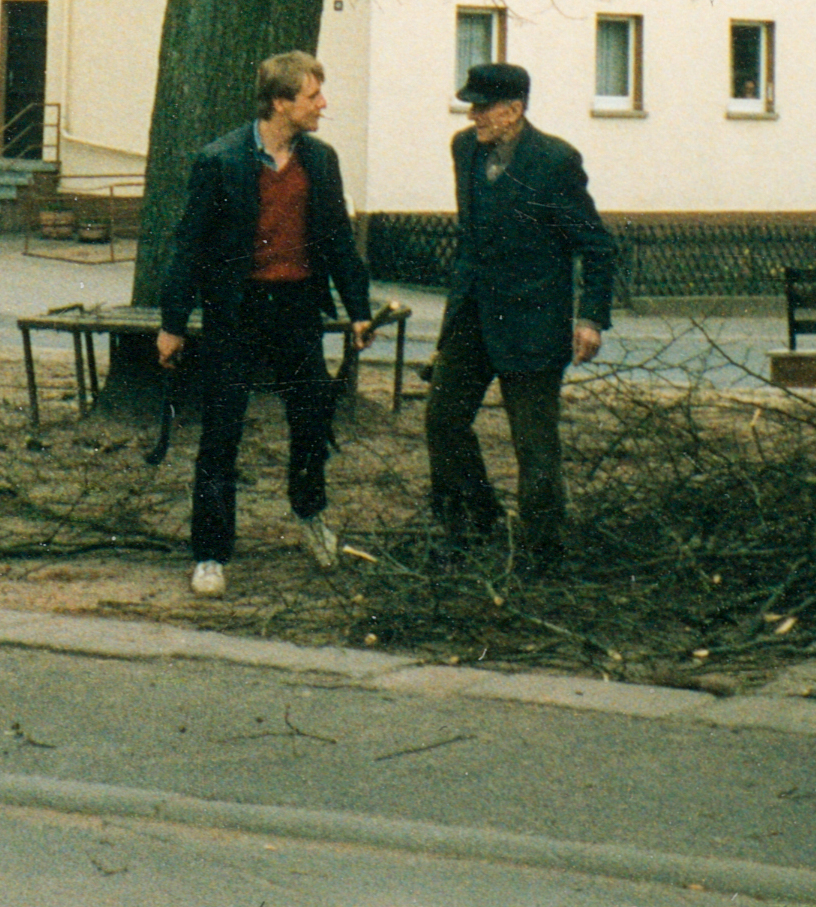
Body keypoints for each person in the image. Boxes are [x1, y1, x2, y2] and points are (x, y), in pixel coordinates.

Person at [157, 51, 374, 599]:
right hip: (238, 312)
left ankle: (310, 517)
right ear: (281, 102)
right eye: (312, 96)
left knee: (310, 421)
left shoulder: (321, 161)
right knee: (222, 430)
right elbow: (189, 246)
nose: (323, 104)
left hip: (298, 309)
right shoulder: (221, 160)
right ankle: (210, 552)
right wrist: (173, 323)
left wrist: (359, 309)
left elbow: (339, 243)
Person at [424, 59, 614, 564]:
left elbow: (597, 246)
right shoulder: (464, 149)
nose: (473, 116)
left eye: (483, 107)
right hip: (471, 318)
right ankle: (473, 519)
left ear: (514, 109)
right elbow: (472, 237)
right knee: (442, 419)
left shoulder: (553, 161)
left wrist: (590, 317)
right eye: (471, 106)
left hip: (532, 323)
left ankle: (542, 551)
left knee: (534, 444)